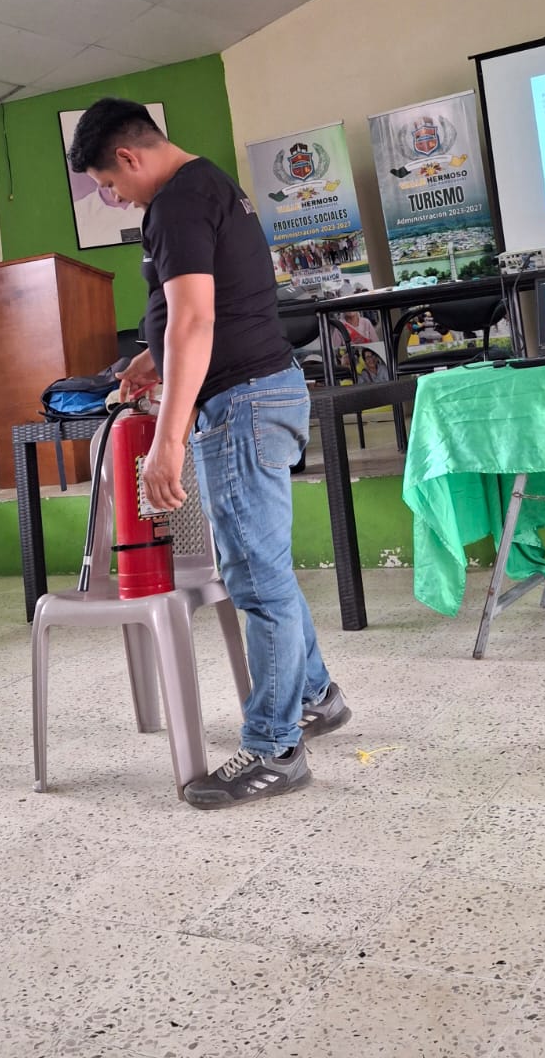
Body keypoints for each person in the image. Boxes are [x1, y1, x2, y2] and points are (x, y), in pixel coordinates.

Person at [66, 99, 350, 809]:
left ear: (128, 156)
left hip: (242, 402)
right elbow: (201, 308)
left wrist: (167, 443)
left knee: (255, 580)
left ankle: (275, 749)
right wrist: (150, 359)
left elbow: (195, 320)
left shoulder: (176, 203)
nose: (114, 197)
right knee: (264, 566)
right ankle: (316, 695)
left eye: (109, 183)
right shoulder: (209, 184)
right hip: (263, 390)